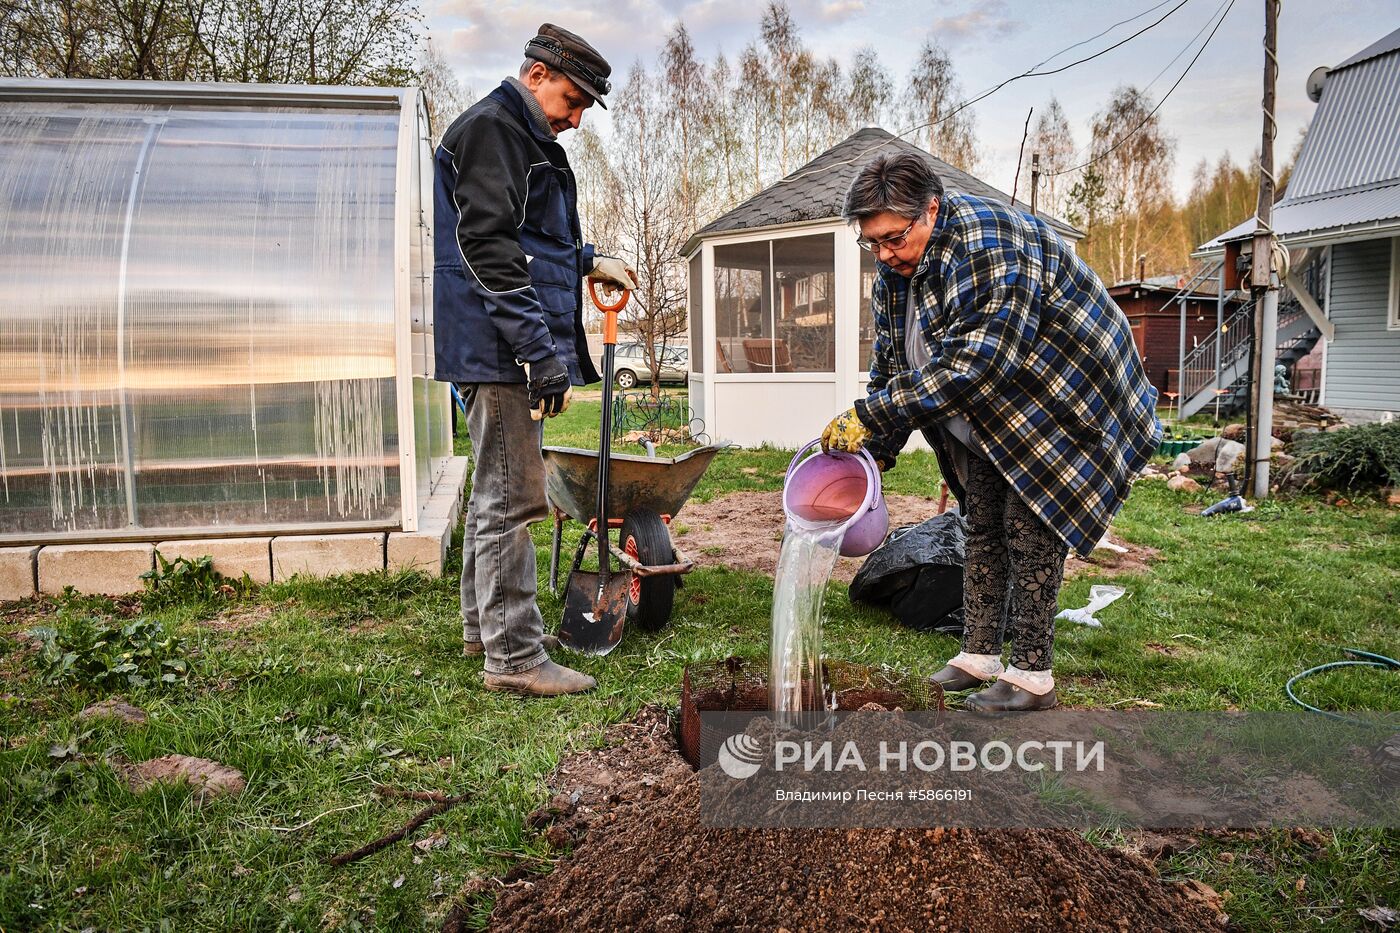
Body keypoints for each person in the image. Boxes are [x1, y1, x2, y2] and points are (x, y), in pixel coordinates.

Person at [822, 151, 1160, 712]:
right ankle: (980, 654)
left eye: (894, 238)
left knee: (1031, 526)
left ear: (931, 209)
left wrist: (874, 414)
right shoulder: (895, 268)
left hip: (1061, 391)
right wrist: (875, 447)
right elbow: (891, 359)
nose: (883, 254)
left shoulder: (989, 243)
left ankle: (1033, 675)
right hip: (987, 407)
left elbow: (979, 365)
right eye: (872, 242)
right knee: (981, 522)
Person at [434, 24, 637, 697]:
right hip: (500, 348)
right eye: (572, 101)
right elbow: (489, 247)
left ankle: (484, 630)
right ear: (536, 75)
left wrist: (588, 259)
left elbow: (530, 236)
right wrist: (537, 353)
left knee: (495, 492)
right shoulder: (497, 128)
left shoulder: (519, 134)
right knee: (513, 500)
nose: (576, 119)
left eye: (583, 109)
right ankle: (515, 657)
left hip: (500, 343)